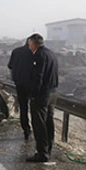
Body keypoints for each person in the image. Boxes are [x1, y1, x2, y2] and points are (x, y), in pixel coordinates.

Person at [26, 34, 58, 162]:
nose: (29, 47)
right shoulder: (51, 54)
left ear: (34, 43)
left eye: (29, 44)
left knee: (39, 124)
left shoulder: (39, 56)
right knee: (49, 123)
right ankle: (48, 149)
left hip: (42, 95)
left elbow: (38, 76)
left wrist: (33, 93)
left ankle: (42, 153)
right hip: (53, 93)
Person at [7, 37, 35, 140]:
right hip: (32, 84)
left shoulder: (16, 51)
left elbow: (10, 66)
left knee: (23, 107)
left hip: (19, 83)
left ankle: (26, 130)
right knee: (34, 108)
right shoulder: (34, 54)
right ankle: (35, 130)